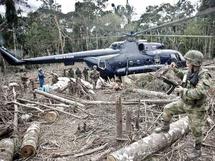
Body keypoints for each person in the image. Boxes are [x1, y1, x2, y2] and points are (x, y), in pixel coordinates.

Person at [155, 50, 212, 159]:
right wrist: (174, 69)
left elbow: (199, 93)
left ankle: (197, 150)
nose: (186, 61)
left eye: (188, 60)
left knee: (196, 130)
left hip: (197, 107)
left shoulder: (204, 75)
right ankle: (165, 128)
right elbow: (184, 75)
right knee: (167, 109)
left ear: (194, 62)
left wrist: (183, 91)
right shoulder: (190, 71)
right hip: (185, 102)